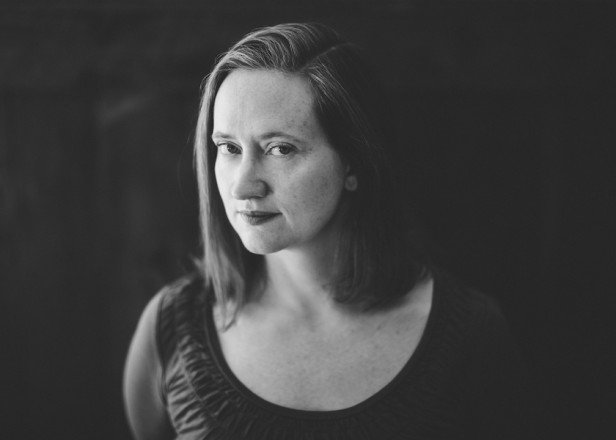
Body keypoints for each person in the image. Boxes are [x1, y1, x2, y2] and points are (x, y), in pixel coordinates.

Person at [123, 22, 530, 439]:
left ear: (353, 163)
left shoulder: (470, 336)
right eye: (229, 148)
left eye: (280, 149)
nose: (243, 186)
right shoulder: (172, 328)